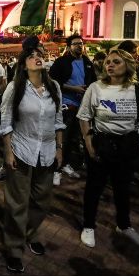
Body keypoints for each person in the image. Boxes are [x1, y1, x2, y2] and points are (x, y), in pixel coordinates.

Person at [78, 49, 139, 249]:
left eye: (116, 62)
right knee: (94, 188)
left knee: (123, 187)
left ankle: (124, 224)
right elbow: (84, 117)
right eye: (108, 62)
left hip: (128, 145)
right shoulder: (96, 88)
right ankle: (88, 225)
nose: (110, 65)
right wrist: (89, 146)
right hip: (102, 144)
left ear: (128, 65)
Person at [0, 46, 65, 272]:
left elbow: (58, 119)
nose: (38, 59)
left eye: (40, 56)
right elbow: (5, 122)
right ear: (23, 63)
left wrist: (59, 147)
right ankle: (14, 248)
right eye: (32, 56)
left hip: (46, 153)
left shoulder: (53, 87)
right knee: (17, 203)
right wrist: (8, 152)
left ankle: (30, 232)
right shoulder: (15, 88)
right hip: (22, 151)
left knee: (42, 200)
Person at [49, 34, 97, 183]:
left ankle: (66, 164)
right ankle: (56, 169)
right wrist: (73, 88)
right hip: (66, 104)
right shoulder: (61, 62)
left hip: (82, 107)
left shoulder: (88, 63)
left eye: (81, 43)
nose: (79, 46)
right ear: (69, 46)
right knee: (63, 137)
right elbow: (53, 81)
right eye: (76, 44)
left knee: (74, 138)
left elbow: (93, 82)